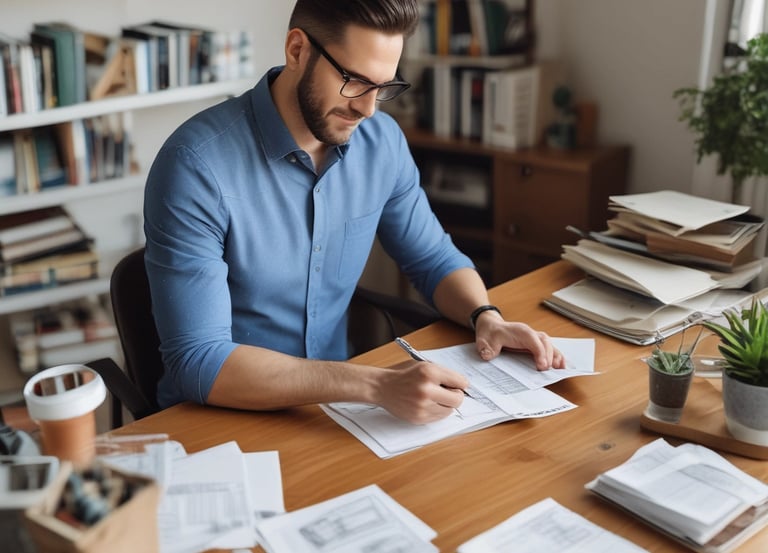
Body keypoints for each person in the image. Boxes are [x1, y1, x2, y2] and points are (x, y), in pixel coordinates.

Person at [143, 0, 566, 425]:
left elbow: (433, 258)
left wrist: (485, 317)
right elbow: (199, 360)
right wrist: (376, 385)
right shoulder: (195, 166)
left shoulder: (381, 142)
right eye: (355, 81)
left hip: (336, 412)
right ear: (296, 50)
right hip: (218, 417)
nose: (368, 109)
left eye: (383, 87)